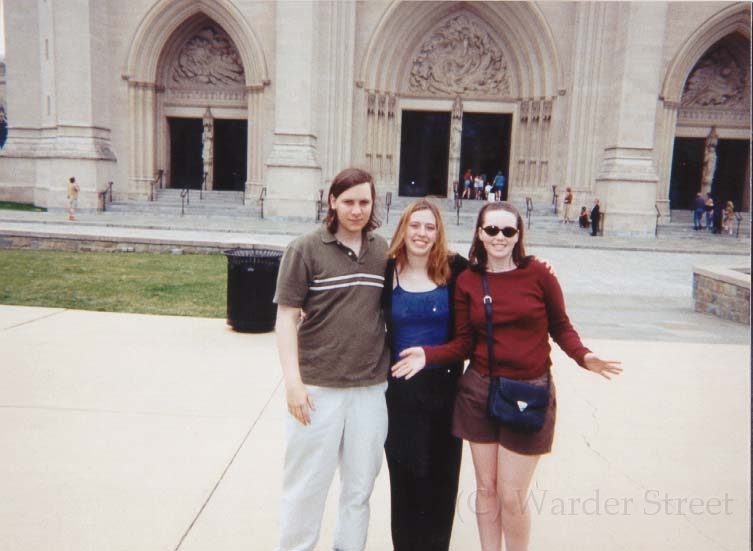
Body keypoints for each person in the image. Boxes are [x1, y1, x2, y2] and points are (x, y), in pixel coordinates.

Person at [392, 202, 622, 551]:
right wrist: (429, 354)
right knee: (485, 488)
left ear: (518, 236)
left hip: (528, 393)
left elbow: (561, 326)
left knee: (511, 496)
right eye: (492, 230)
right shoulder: (467, 278)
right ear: (480, 233)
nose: (499, 237)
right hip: (478, 392)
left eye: (508, 231)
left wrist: (584, 356)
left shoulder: (538, 275)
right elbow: (464, 342)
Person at [273, 167, 390, 551]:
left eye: (364, 202)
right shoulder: (304, 249)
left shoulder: (383, 251)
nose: (357, 210)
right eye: (349, 201)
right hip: (317, 390)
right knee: (305, 489)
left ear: (373, 204)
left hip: (370, 391)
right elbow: (287, 317)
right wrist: (293, 383)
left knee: (359, 491)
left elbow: (434, 262)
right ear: (332, 202)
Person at [382, 199, 468, 551]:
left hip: (446, 394)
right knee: (406, 485)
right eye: (415, 225)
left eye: (429, 227)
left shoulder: (457, 269)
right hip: (400, 396)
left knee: (441, 484)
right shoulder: (387, 270)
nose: (421, 233)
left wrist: (534, 264)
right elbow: (351, 302)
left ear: (438, 233)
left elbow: (502, 270)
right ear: (403, 228)